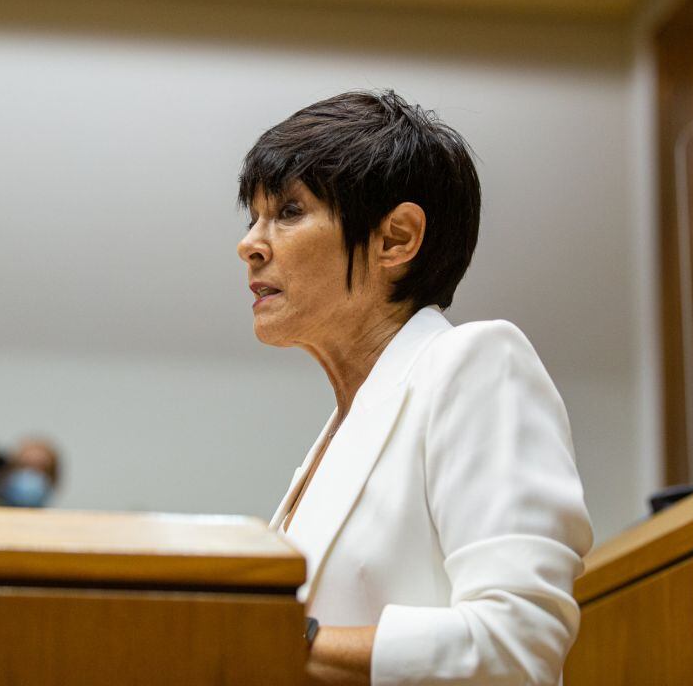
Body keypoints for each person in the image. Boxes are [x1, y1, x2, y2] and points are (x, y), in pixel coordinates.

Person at [236, 91, 593, 686]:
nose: (250, 243)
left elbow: (515, 647)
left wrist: (277, 638)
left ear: (396, 238)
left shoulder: (476, 364)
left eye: (289, 212)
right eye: (253, 216)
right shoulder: (342, 426)